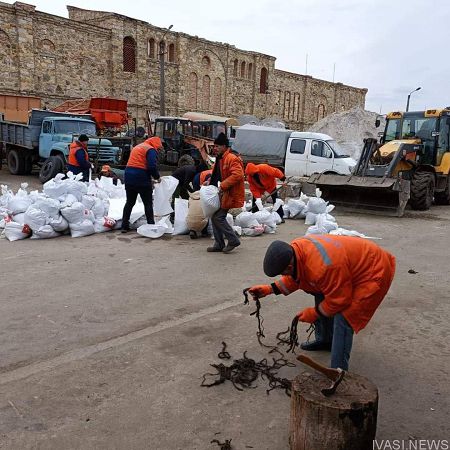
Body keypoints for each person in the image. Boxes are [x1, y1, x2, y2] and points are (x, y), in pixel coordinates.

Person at [246, 236, 396, 370]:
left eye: (282, 273)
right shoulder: (297, 250)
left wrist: (315, 313)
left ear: (289, 267)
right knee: (319, 290)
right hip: (348, 267)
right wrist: (270, 289)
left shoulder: (323, 267)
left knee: (345, 317)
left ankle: (338, 372)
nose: (283, 275)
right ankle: (326, 340)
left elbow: (340, 300)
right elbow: (298, 277)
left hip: (374, 271)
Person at [207, 132, 245, 253]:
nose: (215, 148)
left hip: (230, 193)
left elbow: (238, 175)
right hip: (223, 192)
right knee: (215, 217)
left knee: (218, 217)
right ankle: (219, 243)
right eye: (214, 146)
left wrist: (222, 185)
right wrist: (209, 181)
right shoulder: (221, 158)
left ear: (224, 146)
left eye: (217, 146)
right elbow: (217, 172)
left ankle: (233, 240)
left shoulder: (232, 158)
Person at [121, 136, 162, 233]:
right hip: (141, 176)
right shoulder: (150, 149)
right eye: (159, 147)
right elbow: (151, 166)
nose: (158, 149)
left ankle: (124, 226)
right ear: (156, 144)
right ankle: (151, 226)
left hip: (128, 175)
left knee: (130, 202)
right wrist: (157, 177)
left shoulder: (138, 146)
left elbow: (136, 162)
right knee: (147, 203)